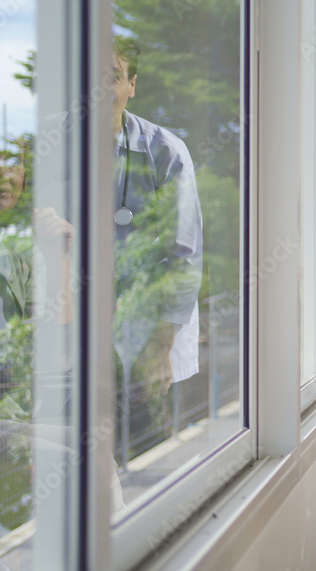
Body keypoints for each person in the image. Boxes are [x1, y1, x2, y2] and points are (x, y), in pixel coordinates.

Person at [110, 36, 203, 408]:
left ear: (131, 86)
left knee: (149, 451)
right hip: (80, 337)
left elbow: (185, 255)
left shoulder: (165, 152)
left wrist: (161, 346)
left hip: (153, 335)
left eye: (111, 76)